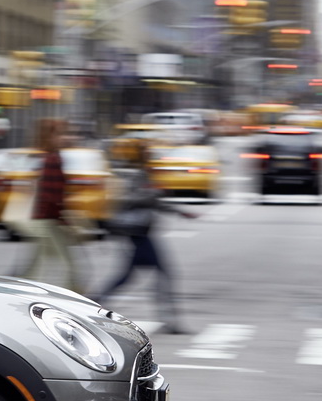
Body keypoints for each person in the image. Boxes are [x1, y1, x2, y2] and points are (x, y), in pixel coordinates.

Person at [97, 142, 198, 333]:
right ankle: (170, 322)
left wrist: (181, 212)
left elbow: (155, 202)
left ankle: (94, 303)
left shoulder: (143, 174)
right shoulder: (133, 175)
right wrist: (150, 195)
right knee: (162, 274)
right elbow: (124, 200)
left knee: (129, 277)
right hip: (135, 233)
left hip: (139, 233)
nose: (150, 155)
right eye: (146, 152)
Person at [12, 118, 85, 293]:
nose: (66, 138)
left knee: (38, 264)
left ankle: (16, 289)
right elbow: (51, 195)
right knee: (65, 262)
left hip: (46, 218)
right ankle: (75, 294)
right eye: (60, 134)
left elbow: (53, 193)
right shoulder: (52, 159)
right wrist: (64, 219)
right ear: (48, 137)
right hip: (47, 220)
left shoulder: (50, 158)